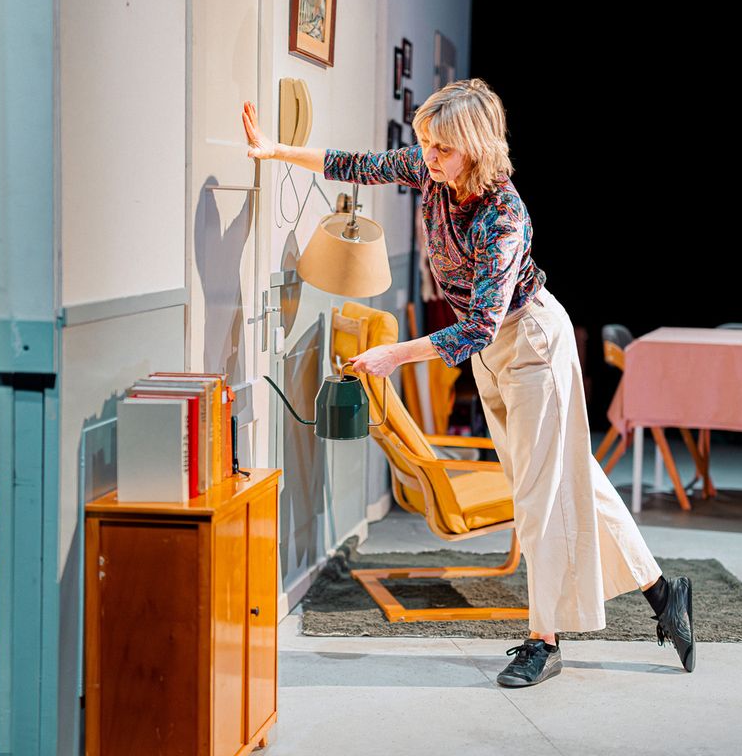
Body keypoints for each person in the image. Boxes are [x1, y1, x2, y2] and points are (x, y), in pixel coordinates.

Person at [241, 80, 695, 687]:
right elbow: (356, 164)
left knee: (535, 495)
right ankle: (664, 592)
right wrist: (275, 151)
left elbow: (481, 324)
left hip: (531, 342)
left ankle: (544, 640)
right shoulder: (432, 171)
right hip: (492, 351)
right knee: (573, 476)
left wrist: (397, 355)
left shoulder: (504, 216)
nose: (428, 156)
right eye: (425, 143)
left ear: (475, 148)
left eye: (442, 147)